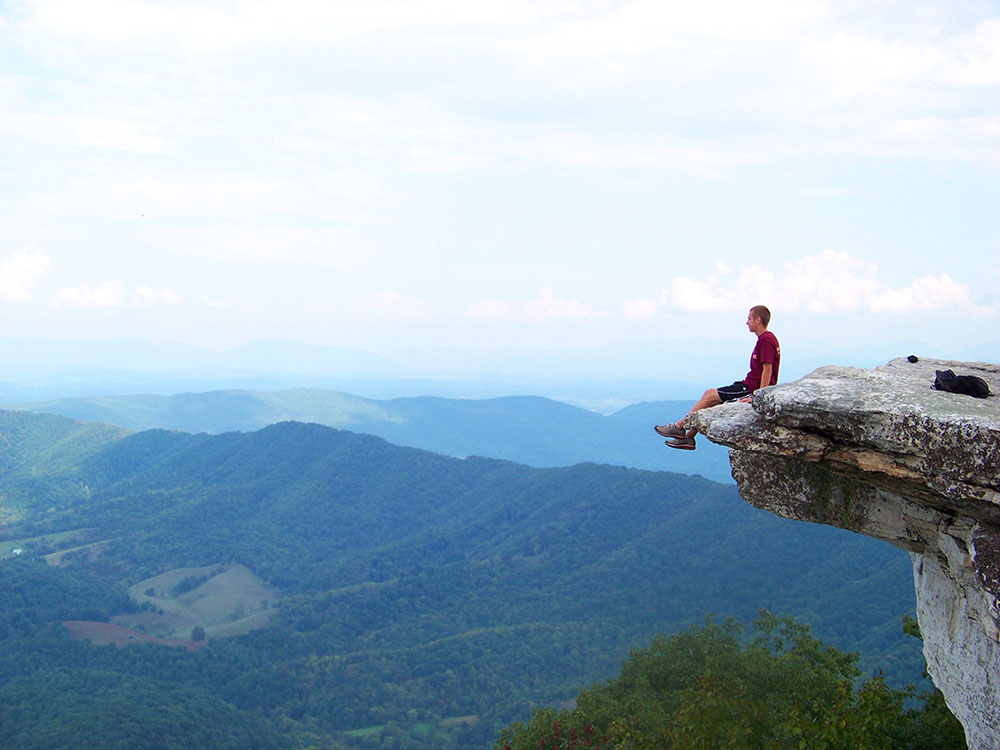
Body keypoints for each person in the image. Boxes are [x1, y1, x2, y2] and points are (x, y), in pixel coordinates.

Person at [654, 305, 780, 450]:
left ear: (758, 320)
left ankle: (679, 427)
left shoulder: (766, 339)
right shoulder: (766, 339)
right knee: (711, 399)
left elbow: (767, 370)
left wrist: (758, 396)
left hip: (750, 388)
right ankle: (688, 438)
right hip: (749, 385)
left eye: (749, 318)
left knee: (709, 395)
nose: (747, 322)